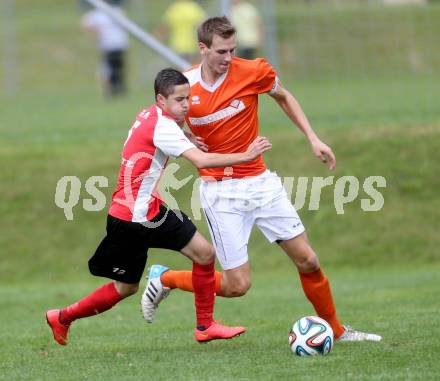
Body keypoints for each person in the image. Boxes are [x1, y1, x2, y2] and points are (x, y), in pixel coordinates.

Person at [141, 17, 382, 342]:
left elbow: (284, 96)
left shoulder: (253, 71)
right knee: (237, 285)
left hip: (261, 183)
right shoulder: (184, 85)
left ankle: (337, 331)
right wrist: (186, 135)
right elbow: (159, 123)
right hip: (219, 191)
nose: (228, 57)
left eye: (232, 50)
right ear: (202, 48)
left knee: (308, 260)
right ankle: (167, 278)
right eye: (221, 51)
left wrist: (313, 137)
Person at [46, 68, 273, 345]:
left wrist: (186, 136)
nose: (187, 105)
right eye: (179, 100)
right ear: (161, 100)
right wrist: (246, 155)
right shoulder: (164, 126)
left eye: (188, 98)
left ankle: (205, 325)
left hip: (144, 210)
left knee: (199, 255)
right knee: (130, 286)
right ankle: (63, 317)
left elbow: (158, 135)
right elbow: (201, 162)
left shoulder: (151, 115)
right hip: (133, 219)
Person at [81, 6, 129, 96]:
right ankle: (112, 90)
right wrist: (96, 34)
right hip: (108, 46)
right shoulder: (98, 13)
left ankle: (118, 89)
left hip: (118, 45)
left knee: (117, 68)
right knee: (110, 69)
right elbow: (85, 24)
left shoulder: (116, 10)